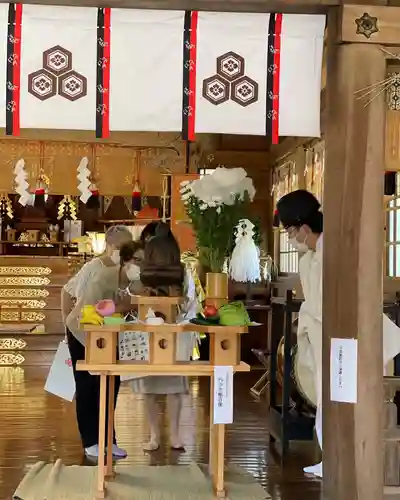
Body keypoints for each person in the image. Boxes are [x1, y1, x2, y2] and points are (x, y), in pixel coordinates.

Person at [275, 189, 400, 478]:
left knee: (350, 399)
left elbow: (331, 303)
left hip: (351, 337)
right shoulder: (310, 258)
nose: (292, 238)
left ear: (304, 228)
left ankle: (357, 461)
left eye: (292, 231)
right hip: (325, 338)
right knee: (327, 398)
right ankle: (333, 458)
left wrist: (307, 317)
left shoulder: (336, 251)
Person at [63, 225, 133, 459]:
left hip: (107, 333)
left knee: (111, 384)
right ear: (111, 246)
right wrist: (67, 325)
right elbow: (66, 292)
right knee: (87, 386)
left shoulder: (125, 271)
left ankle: (108, 439)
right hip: (82, 332)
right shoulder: (94, 267)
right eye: (124, 247)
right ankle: (90, 440)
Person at [131, 222, 193, 452]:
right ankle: (161, 434)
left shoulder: (180, 271)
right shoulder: (145, 272)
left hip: (165, 331)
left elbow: (189, 300)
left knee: (166, 385)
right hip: (159, 331)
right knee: (157, 387)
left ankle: (166, 435)